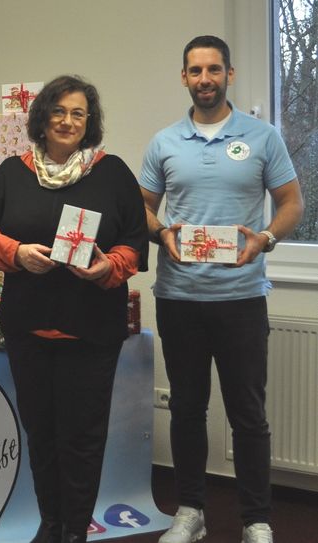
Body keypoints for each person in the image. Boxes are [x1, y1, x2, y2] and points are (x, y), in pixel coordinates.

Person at [139, 35, 304, 543]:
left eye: (214, 70)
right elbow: (142, 208)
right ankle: (191, 511)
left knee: (248, 414)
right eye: (195, 71)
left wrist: (267, 238)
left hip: (241, 299)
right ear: (183, 77)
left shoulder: (262, 137)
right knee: (187, 409)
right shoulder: (164, 142)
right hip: (179, 298)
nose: (205, 79)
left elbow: (292, 202)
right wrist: (161, 232)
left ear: (229, 74)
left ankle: (257, 519)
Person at [0, 75, 148, 543]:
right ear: (42, 117)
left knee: (82, 441)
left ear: (88, 123)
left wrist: (107, 266)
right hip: (28, 330)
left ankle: (75, 532)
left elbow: (134, 244)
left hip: (90, 332)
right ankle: (51, 525)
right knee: (41, 436)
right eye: (59, 111)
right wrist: (17, 254)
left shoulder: (113, 173)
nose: (68, 121)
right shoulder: (12, 172)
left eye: (78, 114)